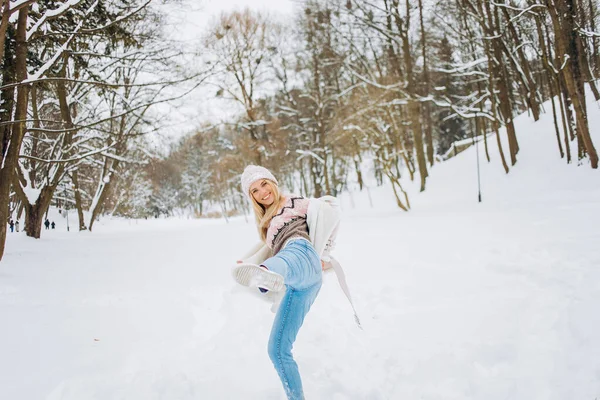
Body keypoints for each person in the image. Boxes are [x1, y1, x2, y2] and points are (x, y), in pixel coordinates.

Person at [232, 165, 359, 400]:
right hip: (301, 285)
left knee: (290, 253)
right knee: (277, 350)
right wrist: (248, 262)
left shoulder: (293, 202)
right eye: (255, 191)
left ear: (273, 182)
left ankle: (264, 275)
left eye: (264, 184)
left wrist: (325, 253)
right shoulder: (266, 226)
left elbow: (331, 210)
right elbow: (267, 251)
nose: (262, 192)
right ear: (252, 198)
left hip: (303, 253)